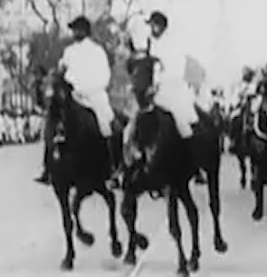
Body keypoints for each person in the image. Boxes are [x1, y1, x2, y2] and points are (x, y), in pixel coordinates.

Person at [35, 15, 121, 186]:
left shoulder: (97, 51)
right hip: (73, 94)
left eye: (79, 29)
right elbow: (62, 71)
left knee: (108, 124)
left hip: (93, 94)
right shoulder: (69, 52)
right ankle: (47, 167)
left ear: (86, 31)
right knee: (52, 120)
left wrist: (90, 88)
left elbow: (104, 75)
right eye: (74, 29)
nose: (75, 32)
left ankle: (113, 167)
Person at [125, 11, 200, 146]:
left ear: (162, 27)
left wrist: (158, 83)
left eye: (155, 25)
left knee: (182, 123)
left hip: (171, 89)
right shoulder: (147, 43)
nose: (152, 28)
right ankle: (129, 160)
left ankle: (192, 159)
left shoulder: (172, 44)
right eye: (151, 25)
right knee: (132, 125)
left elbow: (176, 69)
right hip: (148, 92)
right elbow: (142, 65)